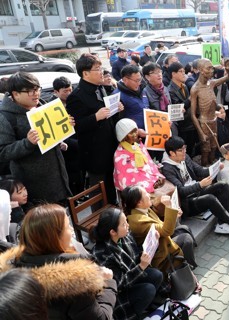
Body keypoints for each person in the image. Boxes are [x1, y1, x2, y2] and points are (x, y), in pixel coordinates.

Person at [0, 204, 117, 318]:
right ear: (53, 237)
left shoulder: (14, 271)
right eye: (67, 226)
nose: (72, 229)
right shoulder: (74, 280)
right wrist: (109, 283)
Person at [0, 72, 72, 204]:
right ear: (15, 94)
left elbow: (49, 134)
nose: (36, 94)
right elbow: (3, 152)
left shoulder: (42, 105)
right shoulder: (5, 117)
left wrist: (62, 132)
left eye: (37, 89)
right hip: (34, 186)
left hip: (58, 177)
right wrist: (27, 143)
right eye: (30, 91)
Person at [162, 136, 229, 235]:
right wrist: (200, 185)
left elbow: (200, 170)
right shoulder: (167, 168)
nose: (184, 151)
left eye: (184, 148)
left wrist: (216, 168)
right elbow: (181, 191)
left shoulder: (185, 157)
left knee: (223, 186)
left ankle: (222, 224)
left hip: (197, 191)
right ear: (171, 153)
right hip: (187, 202)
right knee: (210, 198)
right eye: (181, 150)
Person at [67, 54, 124, 205]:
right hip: (94, 153)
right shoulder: (76, 96)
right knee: (98, 192)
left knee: (112, 187)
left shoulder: (101, 88)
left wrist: (116, 110)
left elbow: (108, 117)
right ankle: (100, 222)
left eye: (101, 68)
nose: (102, 72)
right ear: (85, 73)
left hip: (110, 145)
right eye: (97, 69)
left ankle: (115, 217)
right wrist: (95, 117)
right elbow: (76, 126)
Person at [92, 208, 165, 319]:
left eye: (126, 221)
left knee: (157, 275)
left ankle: (146, 305)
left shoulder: (124, 236)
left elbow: (135, 255)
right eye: (123, 224)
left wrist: (152, 242)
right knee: (148, 290)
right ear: (112, 232)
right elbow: (119, 283)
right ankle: (134, 315)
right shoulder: (101, 253)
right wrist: (141, 267)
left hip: (131, 276)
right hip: (118, 293)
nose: (128, 225)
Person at [121, 185, 197, 269]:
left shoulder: (145, 209)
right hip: (159, 254)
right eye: (146, 193)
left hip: (163, 240)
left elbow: (161, 226)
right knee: (186, 238)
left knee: (184, 228)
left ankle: (187, 266)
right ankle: (186, 270)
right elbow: (166, 231)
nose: (149, 195)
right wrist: (168, 206)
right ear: (139, 202)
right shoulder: (138, 221)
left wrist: (174, 215)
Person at [191, 59, 229, 166]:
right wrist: (201, 133)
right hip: (204, 122)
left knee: (214, 147)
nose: (212, 71)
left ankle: (213, 167)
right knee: (206, 149)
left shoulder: (212, 83)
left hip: (214, 120)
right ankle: (205, 170)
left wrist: (228, 69)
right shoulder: (195, 89)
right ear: (201, 70)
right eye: (208, 68)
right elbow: (192, 114)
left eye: (212, 68)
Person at [113, 118, 166, 195]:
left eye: (135, 131)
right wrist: (149, 184)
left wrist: (156, 176)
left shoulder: (139, 145)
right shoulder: (119, 155)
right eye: (131, 133)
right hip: (134, 183)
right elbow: (126, 179)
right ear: (123, 135)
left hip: (145, 176)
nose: (135, 135)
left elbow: (149, 164)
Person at [114, 65, 149, 130]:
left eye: (140, 79)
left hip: (149, 130)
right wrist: (136, 132)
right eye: (136, 81)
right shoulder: (117, 97)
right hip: (134, 136)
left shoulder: (142, 89)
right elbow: (119, 124)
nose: (139, 83)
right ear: (125, 80)